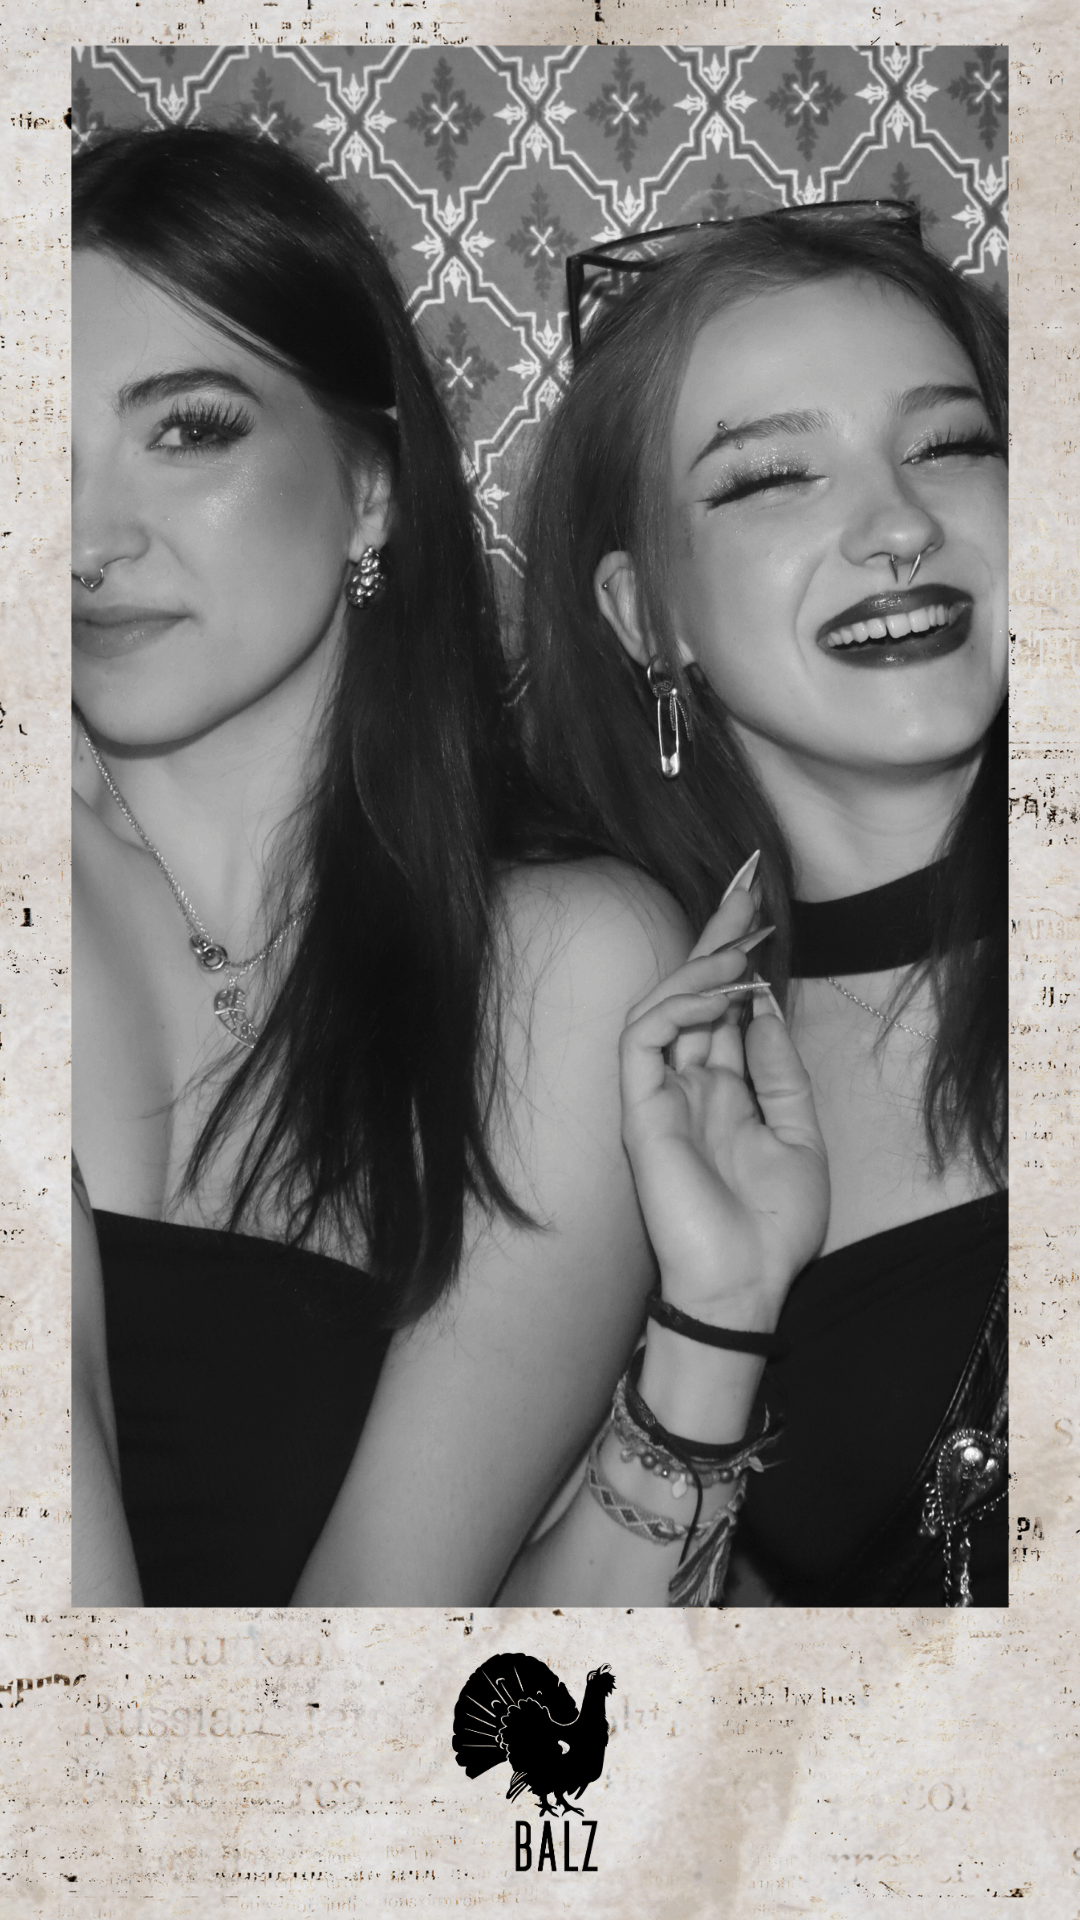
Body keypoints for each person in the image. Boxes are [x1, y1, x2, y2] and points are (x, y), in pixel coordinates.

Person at [73, 126, 719, 1607]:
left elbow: (377, 1648)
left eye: (189, 430)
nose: (83, 538)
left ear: (369, 489)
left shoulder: (563, 962)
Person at [502, 203, 1007, 1606]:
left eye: (950, 446)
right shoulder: (632, 1067)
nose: (900, 525)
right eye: (773, 476)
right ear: (646, 615)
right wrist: (715, 1318)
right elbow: (546, 1701)